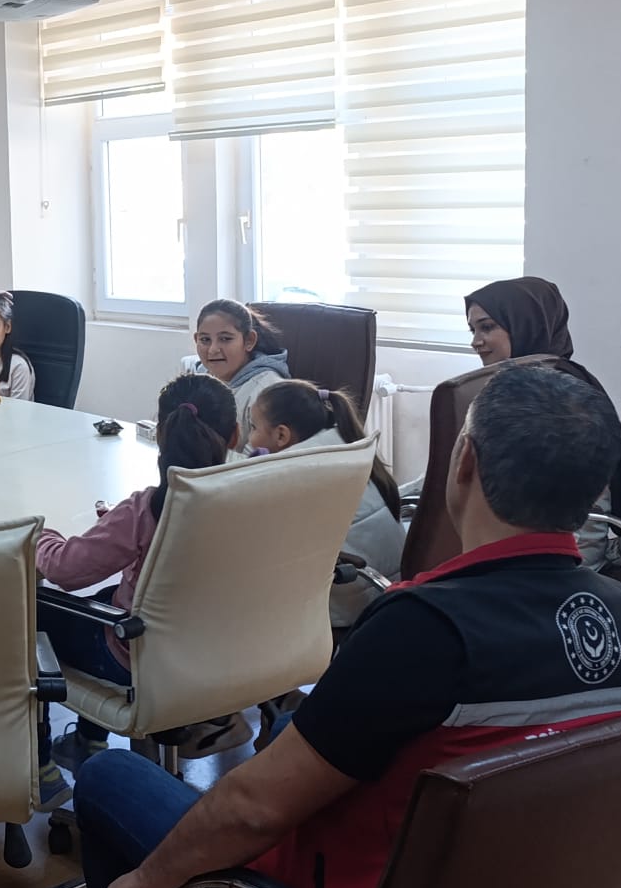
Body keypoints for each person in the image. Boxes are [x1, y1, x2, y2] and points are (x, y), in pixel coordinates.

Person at [69, 366, 621, 888]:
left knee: (108, 783)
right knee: (287, 753)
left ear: (464, 462)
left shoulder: (426, 632)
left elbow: (251, 810)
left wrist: (143, 886)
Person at [36, 376, 240, 774]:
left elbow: (64, 570)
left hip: (136, 660)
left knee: (35, 615)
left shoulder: (149, 507)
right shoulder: (255, 497)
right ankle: (89, 740)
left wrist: (43, 535)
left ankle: (42, 768)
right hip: (217, 652)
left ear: (160, 435)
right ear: (235, 434)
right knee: (107, 599)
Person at [464, 276, 621, 569]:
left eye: (487, 327)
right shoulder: (549, 381)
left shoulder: (552, 402)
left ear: (525, 323)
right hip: (545, 549)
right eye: (473, 329)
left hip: (560, 559)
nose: (475, 341)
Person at [244, 380, 404, 633]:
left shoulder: (293, 473)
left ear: (281, 435)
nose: (249, 438)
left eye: (253, 428)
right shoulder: (345, 444)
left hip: (346, 604)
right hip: (384, 589)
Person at [185, 299, 290, 422]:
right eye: (205, 340)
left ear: (249, 341)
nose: (212, 350)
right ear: (196, 339)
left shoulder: (265, 392)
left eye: (225, 339)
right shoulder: (197, 378)